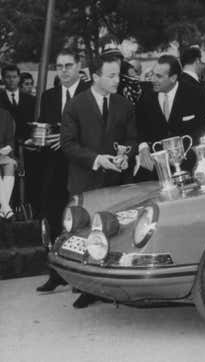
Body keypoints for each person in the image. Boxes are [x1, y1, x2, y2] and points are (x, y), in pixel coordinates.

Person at [60, 53, 137, 308]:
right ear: (96, 77)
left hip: (115, 184)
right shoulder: (75, 105)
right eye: (111, 75)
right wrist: (96, 159)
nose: (117, 80)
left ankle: (113, 285)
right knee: (84, 236)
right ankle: (87, 288)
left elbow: (131, 139)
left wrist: (126, 155)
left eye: (118, 75)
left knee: (115, 234)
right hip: (85, 183)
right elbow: (68, 145)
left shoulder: (124, 105)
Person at [35, 48, 91, 292]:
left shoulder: (89, 93)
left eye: (68, 65)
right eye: (59, 66)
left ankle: (85, 280)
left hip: (81, 166)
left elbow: (94, 130)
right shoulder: (49, 96)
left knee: (82, 218)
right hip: (54, 167)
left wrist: (66, 138)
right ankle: (56, 273)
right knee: (54, 216)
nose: (64, 70)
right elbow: (43, 128)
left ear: (79, 66)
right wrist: (40, 139)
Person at [135, 55, 205, 181]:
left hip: (191, 168)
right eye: (153, 74)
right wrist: (143, 147)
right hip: (157, 171)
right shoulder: (145, 97)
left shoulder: (196, 94)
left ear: (173, 78)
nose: (152, 79)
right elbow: (139, 127)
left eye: (158, 76)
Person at [1, 64, 37, 217]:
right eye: (8, 77)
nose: (11, 80)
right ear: (3, 79)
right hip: (4, 145)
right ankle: (7, 208)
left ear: (19, 78)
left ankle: (26, 210)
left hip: (26, 145)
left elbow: (35, 121)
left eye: (14, 77)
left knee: (28, 179)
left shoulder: (31, 100)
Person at [0, 108, 16, 219]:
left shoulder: (5, 114)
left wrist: (8, 147)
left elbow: (10, 140)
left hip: (1, 154)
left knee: (10, 164)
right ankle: (6, 207)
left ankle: (3, 209)